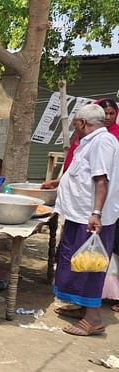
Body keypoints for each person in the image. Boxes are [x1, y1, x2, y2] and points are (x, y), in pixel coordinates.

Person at [51, 104, 119, 336]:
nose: (73, 126)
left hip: (90, 217)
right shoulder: (91, 142)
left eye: (75, 123)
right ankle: (82, 306)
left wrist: (96, 214)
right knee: (76, 262)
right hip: (79, 214)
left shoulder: (102, 142)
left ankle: (93, 318)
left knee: (90, 265)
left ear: (82, 123)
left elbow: (101, 180)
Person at [43, 98, 119, 189]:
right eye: (105, 113)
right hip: (77, 188)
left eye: (111, 113)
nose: (108, 117)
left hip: (100, 189)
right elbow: (74, 163)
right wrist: (60, 181)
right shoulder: (83, 134)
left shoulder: (110, 137)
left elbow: (102, 176)